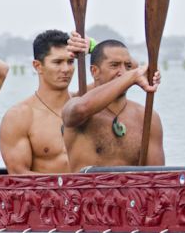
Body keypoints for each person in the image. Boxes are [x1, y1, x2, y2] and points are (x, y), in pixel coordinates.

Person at [62, 39, 164, 172]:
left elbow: (157, 177)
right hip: (88, 191)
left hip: (132, 192)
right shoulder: (76, 103)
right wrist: (132, 76)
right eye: (114, 65)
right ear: (94, 71)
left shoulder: (148, 117)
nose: (122, 72)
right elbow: (81, 109)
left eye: (127, 66)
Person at [0, 30, 89, 174]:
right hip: (45, 195)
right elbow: (19, 175)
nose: (66, 69)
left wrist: (91, 47)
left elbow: (127, 76)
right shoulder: (20, 116)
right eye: (57, 62)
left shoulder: (86, 105)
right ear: (38, 66)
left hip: (88, 195)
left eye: (70, 62)